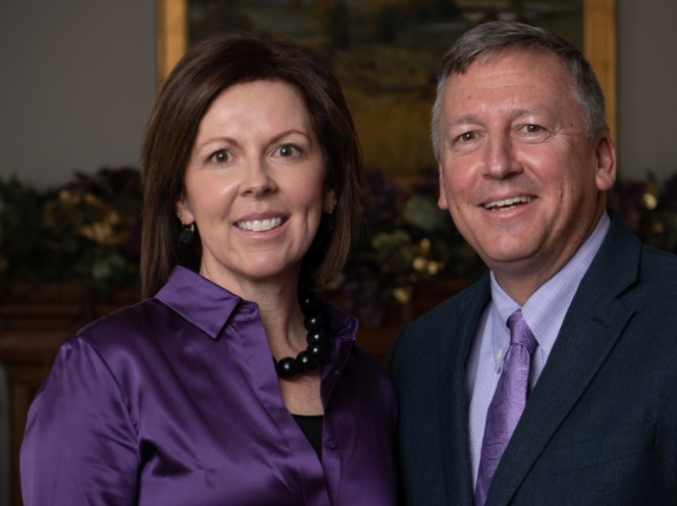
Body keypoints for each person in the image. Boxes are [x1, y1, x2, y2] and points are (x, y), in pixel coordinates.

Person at [387, 21, 677, 506]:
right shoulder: (419, 354)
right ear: (444, 183)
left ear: (602, 160)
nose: (498, 164)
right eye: (467, 136)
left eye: (530, 128)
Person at [21, 33, 397, 506]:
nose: (257, 182)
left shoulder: (370, 384)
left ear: (330, 187)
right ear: (182, 200)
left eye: (287, 151)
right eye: (222, 156)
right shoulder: (106, 369)